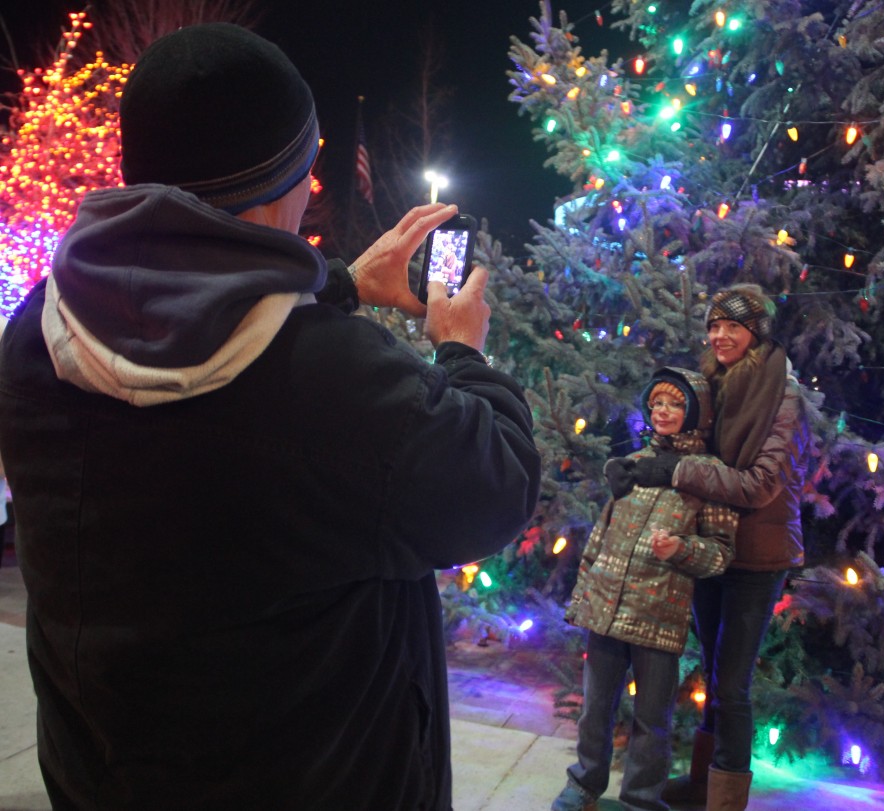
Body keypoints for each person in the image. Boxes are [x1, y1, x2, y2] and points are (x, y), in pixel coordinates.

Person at [0, 23, 540, 811]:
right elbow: (497, 483)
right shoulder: (337, 382)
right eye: (308, 164)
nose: (314, 187)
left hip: (102, 772)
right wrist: (463, 352)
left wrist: (341, 286)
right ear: (280, 185)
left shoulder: (35, 333)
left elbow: (192, 318)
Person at [610, 284, 812, 811]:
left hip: (758, 554)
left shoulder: (782, 395)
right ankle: (702, 785)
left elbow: (760, 485)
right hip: (709, 542)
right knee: (712, 668)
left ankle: (724, 799)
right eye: (714, 326)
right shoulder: (712, 383)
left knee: (732, 682)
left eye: (733, 326)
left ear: (757, 333)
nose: (720, 336)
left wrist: (677, 471)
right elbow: (689, 443)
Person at [553, 368, 739, 811]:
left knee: (652, 720)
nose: (664, 411)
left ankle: (640, 799)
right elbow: (603, 534)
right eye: (657, 403)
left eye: (675, 404)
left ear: (693, 413)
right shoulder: (634, 465)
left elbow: (721, 551)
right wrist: (585, 595)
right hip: (605, 608)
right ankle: (583, 784)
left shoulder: (708, 476)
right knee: (594, 709)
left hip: (658, 614)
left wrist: (680, 549)